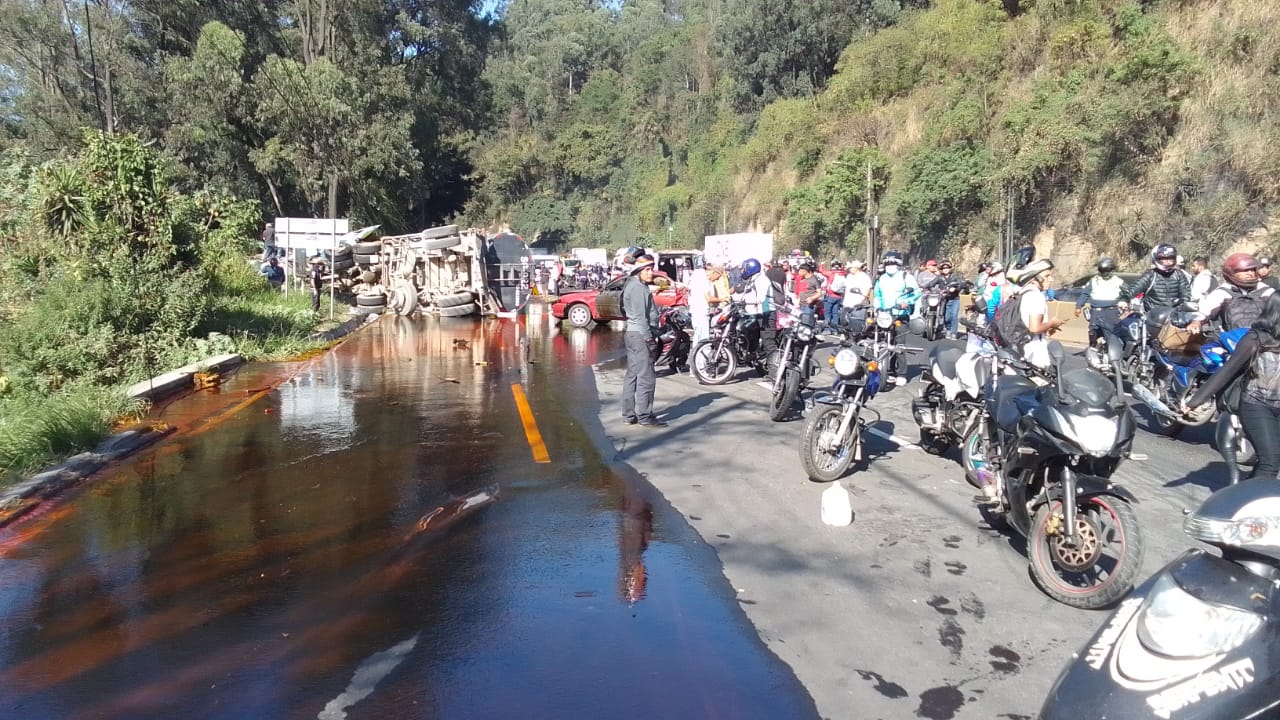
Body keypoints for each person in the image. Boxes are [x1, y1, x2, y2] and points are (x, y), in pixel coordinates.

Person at [1185, 293, 1280, 480]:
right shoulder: (1255, 339)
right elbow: (1228, 371)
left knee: (1270, 460)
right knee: (1270, 461)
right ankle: (1256, 504)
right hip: (1257, 405)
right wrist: (1195, 401)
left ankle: (1245, 495)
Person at [621, 255, 665, 428]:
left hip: (632, 334)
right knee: (646, 377)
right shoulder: (638, 288)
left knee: (632, 375)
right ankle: (644, 416)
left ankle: (629, 414)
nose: (650, 272)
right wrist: (649, 339)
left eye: (651, 269)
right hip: (639, 335)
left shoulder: (632, 285)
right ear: (638, 271)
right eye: (647, 269)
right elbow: (641, 317)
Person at [1191, 253, 1274, 333]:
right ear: (1232, 272)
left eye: (1252, 270)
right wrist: (1196, 322)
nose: (1250, 273)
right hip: (1229, 341)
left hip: (1262, 340)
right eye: (1245, 270)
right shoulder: (1222, 292)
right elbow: (1204, 311)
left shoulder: (1266, 291)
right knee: (1209, 347)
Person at [1010, 259, 1062, 369]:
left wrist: (1046, 328)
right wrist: (1052, 323)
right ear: (1036, 278)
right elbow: (1034, 328)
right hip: (1034, 354)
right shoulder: (1036, 297)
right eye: (1047, 276)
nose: (1051, 279)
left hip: (1021, 348)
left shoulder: (1023, 292)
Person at [1120, 243, 1192, 317]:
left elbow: (1186, 295)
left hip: (1174, 317)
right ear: (1156, 258)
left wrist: (1182, 305)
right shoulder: (1150, 275)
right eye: (1164, 258)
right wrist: (1124, 299)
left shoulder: (1179, 275)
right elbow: (1134, 289)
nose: (1168, 261)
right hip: (1152, 318)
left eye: (1171, 258)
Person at [1074, 257, 1125, 350]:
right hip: (1096, 312)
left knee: (1113, 334)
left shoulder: (1118, 281)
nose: (1104, 273)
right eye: (1102, 271)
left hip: (1112, 311)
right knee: (1093, 332)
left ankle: (1113, 352)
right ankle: (1093, 349)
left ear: (1111, 270)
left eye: (1107, 271)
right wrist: (1078, 306)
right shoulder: (1094, 280)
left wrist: (1126, 302)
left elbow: (1129, 293)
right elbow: (1085, 294)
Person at [732, 258, 770, 353]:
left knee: (766, 342)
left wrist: (749, 302)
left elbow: (761, 298)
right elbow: (746, 293)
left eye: (744, 268)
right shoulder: (752, 279)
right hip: (750, 312)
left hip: (761, 313)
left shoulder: (761, 279)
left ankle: (761, 355)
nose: (743, 270)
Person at [872, 253, 918, 317]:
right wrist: (877, 307)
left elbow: (916, 293)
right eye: (888, 264)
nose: (890, 266)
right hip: (883, 315)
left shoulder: (906, 277)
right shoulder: (881, 279)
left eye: (892, 264)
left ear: (898, 264)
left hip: (901, 313)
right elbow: (877, 296)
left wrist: (907, 302)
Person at [841, 259, 872, 335]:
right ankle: (846, 337)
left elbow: (869, 289)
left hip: (858, 304)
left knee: (856, 324)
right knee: (844, 322)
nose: (850, 269)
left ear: (857, 268)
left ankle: (857, 338)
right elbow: (845, 288)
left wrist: (863, 300)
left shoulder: (864, 277)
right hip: (847, 303)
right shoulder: (849, 276)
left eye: (852, 267)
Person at [934, 260, 964, 338]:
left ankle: (954, 332)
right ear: (941, 269)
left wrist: (955, 288)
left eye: (947, 268)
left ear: (950, 268)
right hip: (945, 299)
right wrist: (923, 287)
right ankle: (948, 329)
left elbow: (960, 284)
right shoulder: (940, 278)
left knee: (954, 315)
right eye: (944, 268)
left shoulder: (955, 277)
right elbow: (931, 283)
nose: (945, 269)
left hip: (955, 299)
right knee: (946, 317)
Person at [687, 263, 712, 345]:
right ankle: (703, 355)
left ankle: (695, 354)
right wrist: (723, 299)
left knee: (697, 334)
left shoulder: (693, 283)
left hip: (694, 311)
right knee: (704, 336)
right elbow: (708, 298)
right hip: (702, 311)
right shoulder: (704, 281)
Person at [822, 261, 846, 332]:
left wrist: (822, 265)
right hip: (838, 296)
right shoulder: (843, 274)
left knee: (827, 312)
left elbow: (821, 271)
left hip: (830, 296)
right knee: (835, 312)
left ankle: (827, 328)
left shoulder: (831, 274)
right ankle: (835, 329)